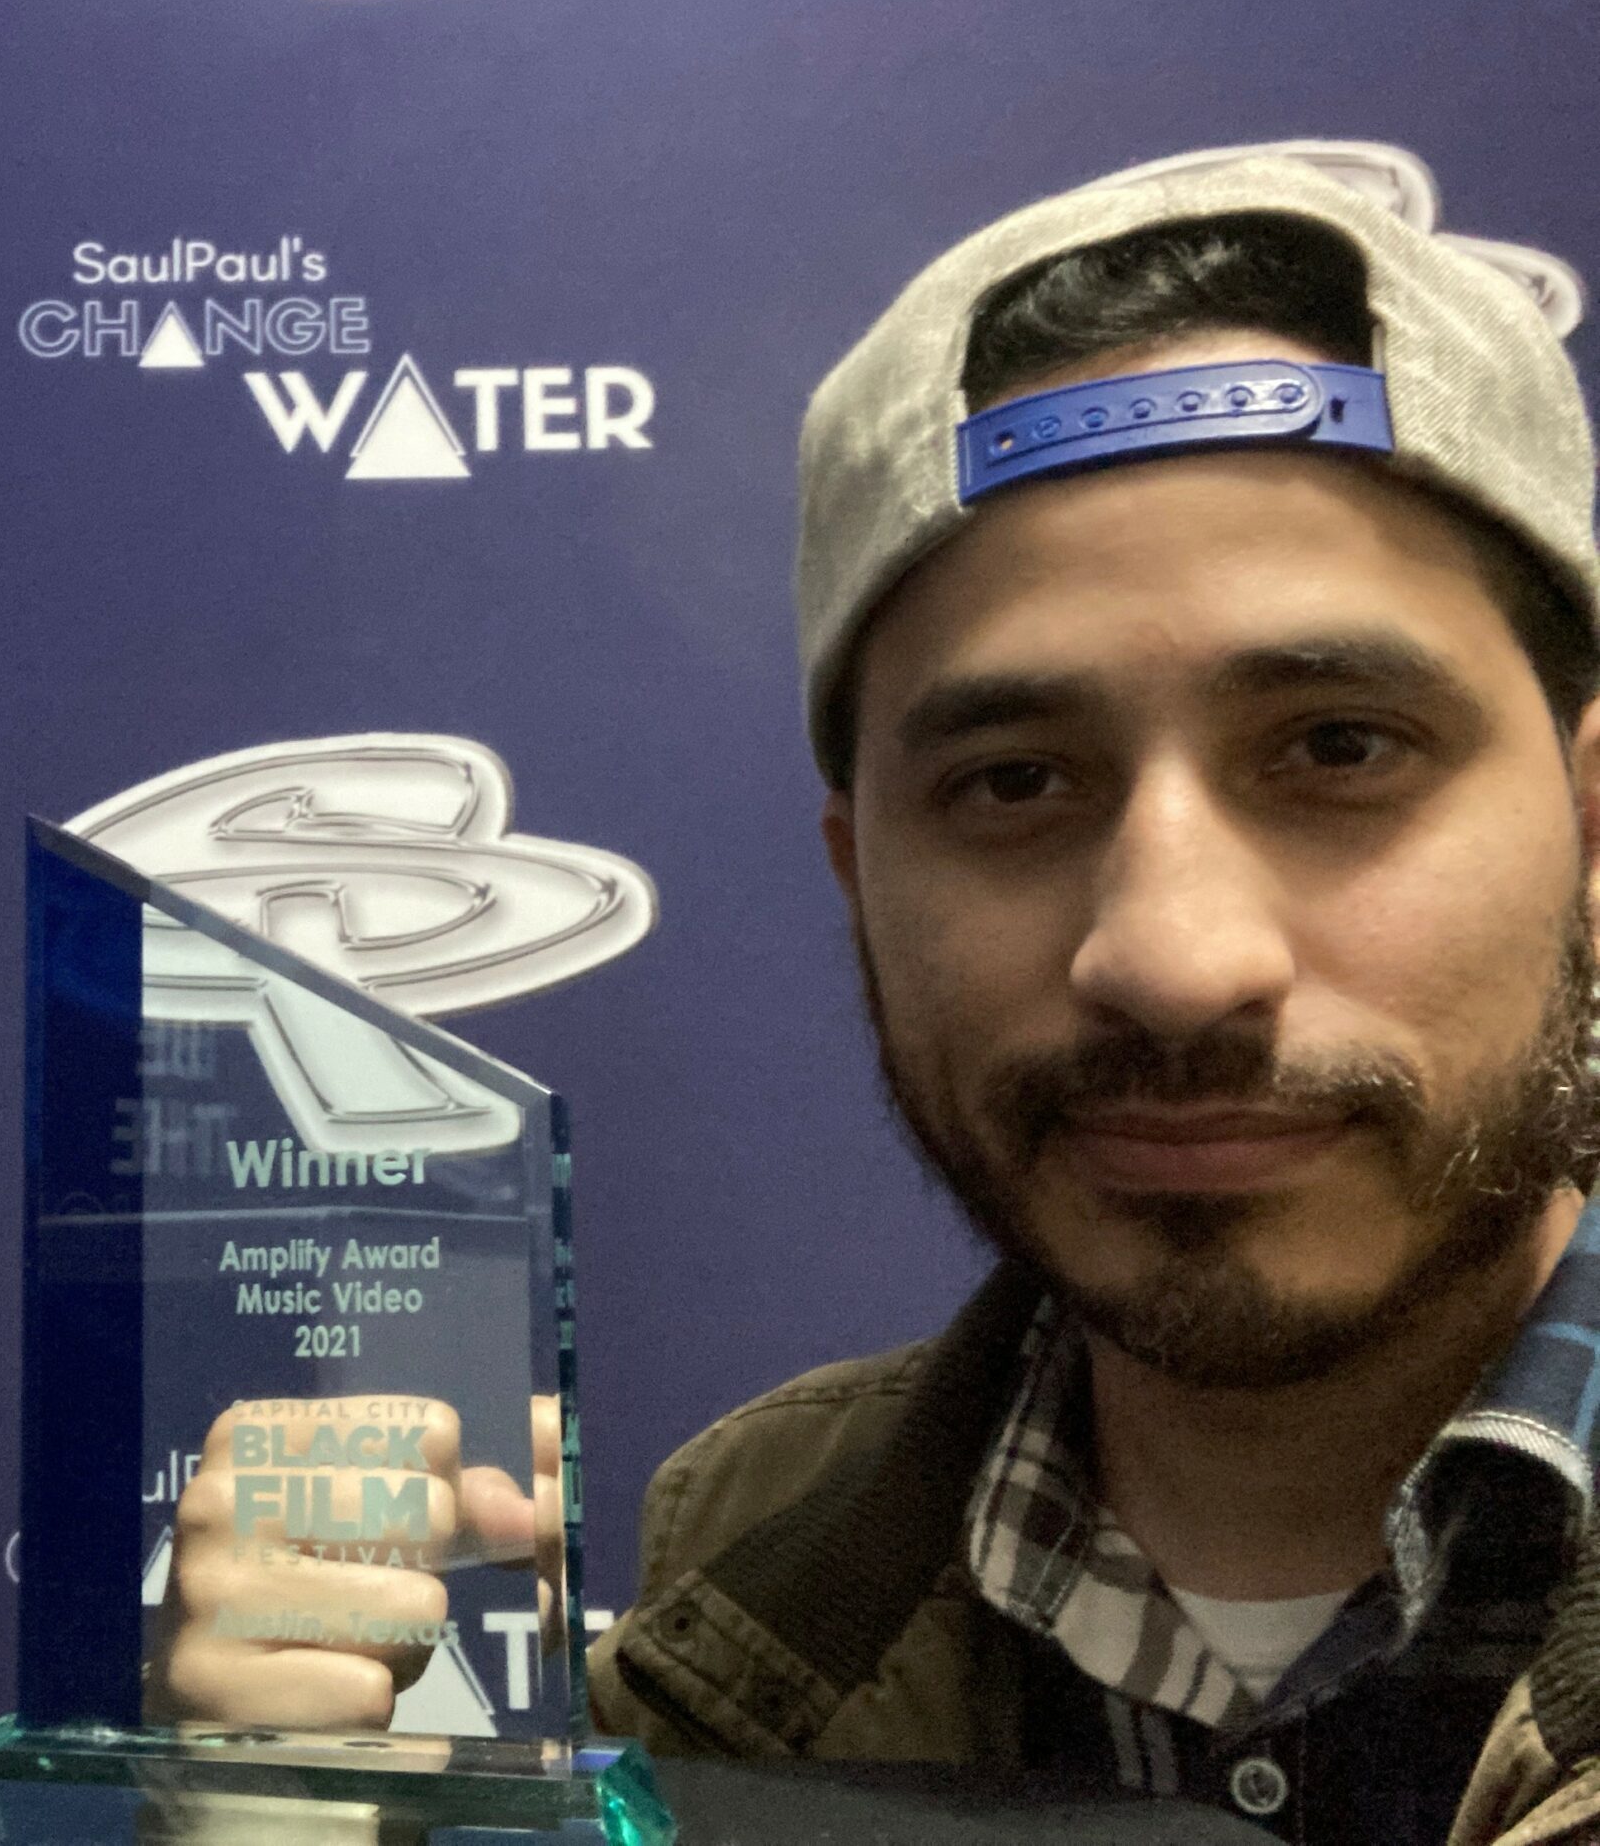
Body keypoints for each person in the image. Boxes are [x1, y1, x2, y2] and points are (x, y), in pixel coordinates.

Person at [156, 154, 1600, 1846]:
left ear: (1585, 829)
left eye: (1336, 749)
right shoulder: (744, 1577)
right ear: (860, 883)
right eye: (1011, 785)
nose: (1171, 956)